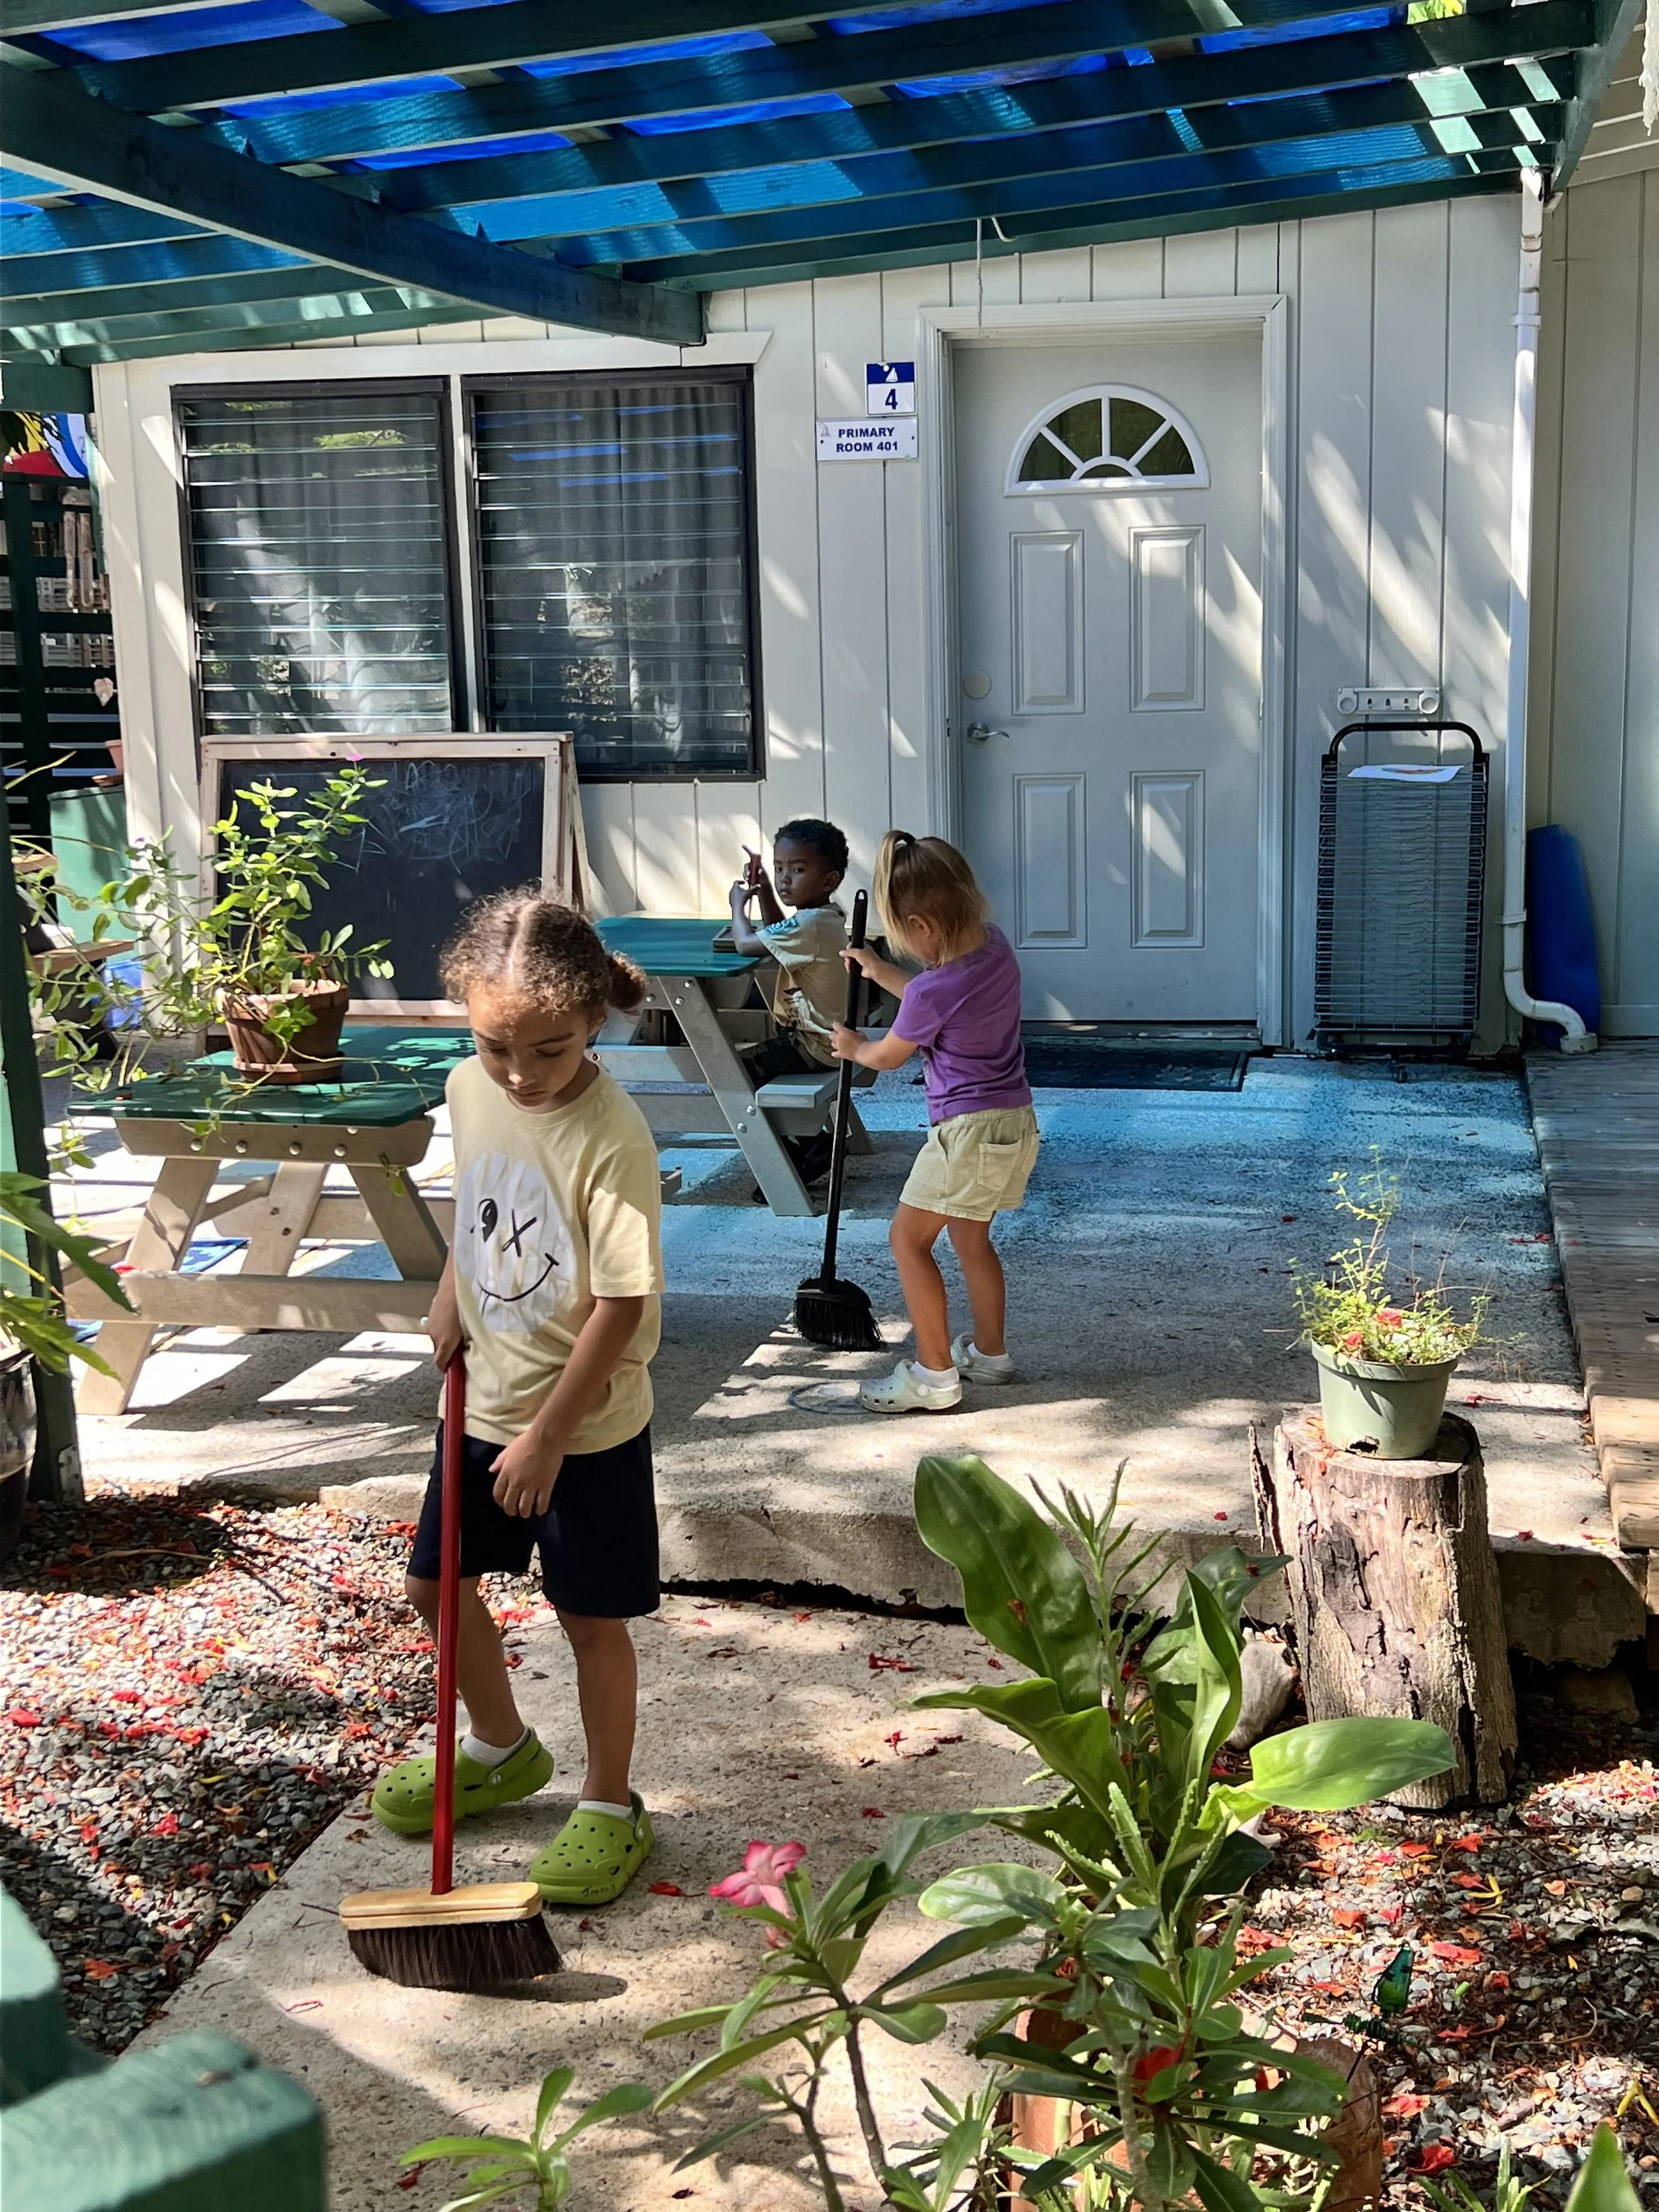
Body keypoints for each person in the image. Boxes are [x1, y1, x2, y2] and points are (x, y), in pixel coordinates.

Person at [370, 893, 664, 1908]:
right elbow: (478, 1196)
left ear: (592, 1020)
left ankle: (611, 1802)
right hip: (481, 1405)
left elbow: (624, 1304)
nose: (521, 1074)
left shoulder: (612, 1133)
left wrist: (547, 1436)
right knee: (433, 1589)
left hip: (582, 1430)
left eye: (548, 1049)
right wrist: (453, 1291)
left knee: (589, 1615)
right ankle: (500, 1747)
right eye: (498, 1046)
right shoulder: (470, 1086)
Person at [831, 832, 1039, 1414]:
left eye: (905, 939)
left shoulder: (932, 988)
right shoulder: (995, 949)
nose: (907, 952)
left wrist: (854, 1046)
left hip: (965, 1132)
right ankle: (990, 1355)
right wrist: (878, 971)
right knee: (971, 1237)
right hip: (1014, 1123)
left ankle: (933, 1374)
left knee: (907, 1239)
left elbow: (892, 1054)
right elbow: (933, 999)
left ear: (923, 926)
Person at [728, 817, 851, 1185]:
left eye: (797, 870)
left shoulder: (810, 924)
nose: (785, 879)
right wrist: (764, 888)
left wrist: (738, 906)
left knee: (733, 1073)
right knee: (745, 1067)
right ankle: (804, 1143)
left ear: (829, 880)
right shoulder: (819, 918)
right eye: (779, 869)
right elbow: (776, 930)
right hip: (826, 1042)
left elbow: (745, 943)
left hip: (810, 1047)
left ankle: (807, 1145)